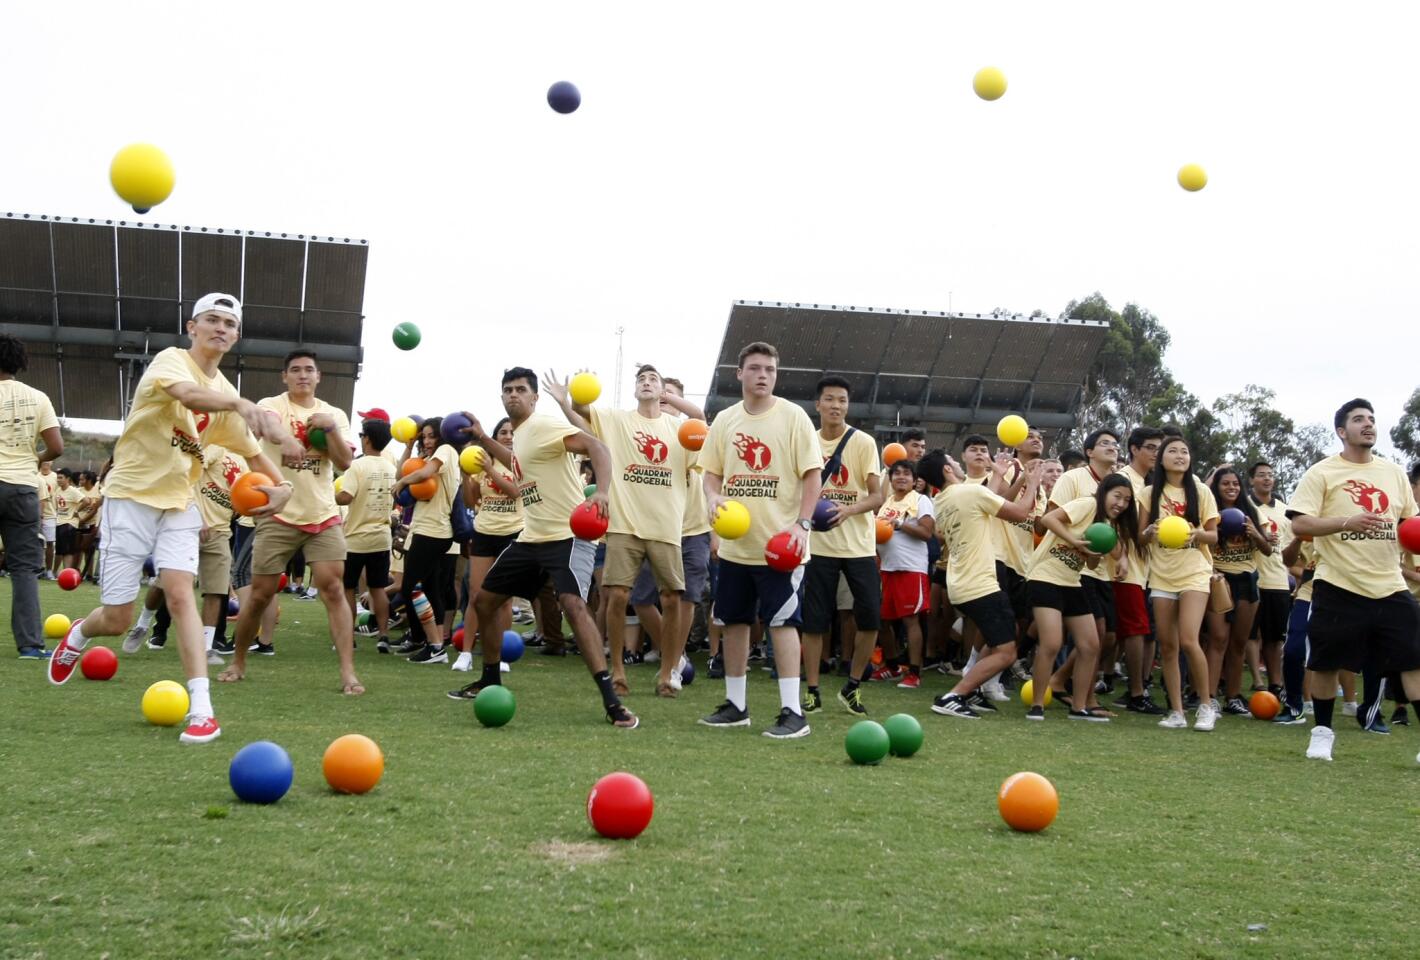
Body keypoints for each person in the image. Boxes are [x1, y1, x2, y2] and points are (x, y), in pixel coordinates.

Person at [46, 293, 293, 745]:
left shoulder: (227, 397)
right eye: (211, 320)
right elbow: (188, 394)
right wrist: (239, 406)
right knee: (118, 619)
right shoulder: (171, 362)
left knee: (181, 593)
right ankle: (80, 633)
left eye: (229, 324)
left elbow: (253, 452)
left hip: (180, 503)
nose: (220, 328)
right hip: (130, 497)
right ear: (191, 327)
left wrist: (283, 487)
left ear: (236, 336)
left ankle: (202, 710)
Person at [451, 368, 639, 729]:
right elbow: (520, 468)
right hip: (531, 537)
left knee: (572, 605)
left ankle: (612, 703)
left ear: (534, 397)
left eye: (521, 390)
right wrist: (482, 440)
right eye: (507, 390)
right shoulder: (521, 436)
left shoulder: (544, 425)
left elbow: (597, 446)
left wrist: (602, 491)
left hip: (567, 535)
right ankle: (489, 680)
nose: (513, 395)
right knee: (484, 601)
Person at [698, 341, 821, 739]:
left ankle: (793, 713)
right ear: (740, 373)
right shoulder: (726, 421)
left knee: (783, 623)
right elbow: (710, 473)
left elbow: (812, 475)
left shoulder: (794, 417)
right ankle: (736, 706)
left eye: (769, 368)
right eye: (754, 368)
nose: (763, 375)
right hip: (737, 547)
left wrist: (803, 524)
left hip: (781, 548)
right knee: (733, 621)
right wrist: (714, 498)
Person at [218, 349, 360, 694]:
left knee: (333, 589)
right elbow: (266, 423)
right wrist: (288, 438)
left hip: (323, 515)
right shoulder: (273, 404)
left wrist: (330, 430)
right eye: (295, 370)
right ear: (285, 377)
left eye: (309, 370)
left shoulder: (333, 414)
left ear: (319, 376)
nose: (302, 375)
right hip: (278, 514)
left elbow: (344, 463)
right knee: (261, 594)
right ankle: (238, 661)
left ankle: (348, 674)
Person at [1288, 398, 1420, 762]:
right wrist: (1347, 521)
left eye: (1372, 419)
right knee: (1326, 663)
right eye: (1359, 419)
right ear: (1341, 431)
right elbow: (1300, 523)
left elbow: (1410, 525)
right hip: (1338, 584)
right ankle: (1322, 734)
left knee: (1412, 661)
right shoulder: (1322, 473)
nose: (1368, 424)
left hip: (1391, 585)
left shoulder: (1394, 473)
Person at [561, 363, 702, 697]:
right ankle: (618, 671)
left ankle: (668, 673)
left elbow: (701, 424)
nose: (647, 382)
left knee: (671, 599)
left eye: (653, 379)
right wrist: (570, 396)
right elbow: (583, 412)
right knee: (617, 595)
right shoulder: (618, 420)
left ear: (663, 389)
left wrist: (674, 398)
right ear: (634, 389)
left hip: (667, 526)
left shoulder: (679, 429)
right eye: (642, 379)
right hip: (624, 524)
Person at [929, 447, 1043, 719]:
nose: (956, 463)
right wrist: (1032, 483)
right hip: (981, 583)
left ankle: (971, 691)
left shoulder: (942, 500)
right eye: (952, 461)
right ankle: (954, 695)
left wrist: (1001, 476)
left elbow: (985, 502)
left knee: (998, 641)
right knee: (1006, 652)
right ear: (946, 469)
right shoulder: (969, 492)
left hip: (963, 583)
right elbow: (1020, 511)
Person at [799, 375, 883, 716]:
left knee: (871, 619)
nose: (836, 406)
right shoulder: (805, 440)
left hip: (859, 547)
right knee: (814, 622)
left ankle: (853, 686)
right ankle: (813, 690)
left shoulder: (863, 442)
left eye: (843, 401)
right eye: (830, 400)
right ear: (818, 404)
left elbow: (878, 495)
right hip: (817, 548)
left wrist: (849, 510)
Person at [1026, 473, 1138, 721]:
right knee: (1052, 643)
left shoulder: (1107, 526)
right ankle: (1037, 705)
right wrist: (1074, 540)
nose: (1120, 503)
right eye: (1117, 496)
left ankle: (1079, 707)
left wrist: (1102, 552)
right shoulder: (1087, 504)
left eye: (1127, 500)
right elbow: (1048, 519)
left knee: (1091, 645)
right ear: (1104, 494)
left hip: (1071, 581)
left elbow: (1090, 560)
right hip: (1044, 576)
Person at [1139, 434, 1220, 731]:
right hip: (1161, 573)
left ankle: (1206, 706)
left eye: (1184, 451)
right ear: (1161, 459)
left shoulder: (1201, 491)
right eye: (1172, 451)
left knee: (1189, 639)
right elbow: (1139, 535)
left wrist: (1194, 534)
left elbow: (1214, 535)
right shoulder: (1150, 492)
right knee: (1168, 646)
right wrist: (1150, 531)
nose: (1179, 455)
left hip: (1195, 571)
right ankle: (1176, 712)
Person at [1043, 429, 1120, 712]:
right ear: (1089, 451)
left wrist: (1119, 556)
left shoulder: (1118, 485)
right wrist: (1078, 543)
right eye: (1104, 443)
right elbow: (1050, 516)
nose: (1112, 447)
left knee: (1109, 637)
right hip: (1075, 569)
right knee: (1094, 635)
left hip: (1101, 569)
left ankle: (1059, 679)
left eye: (1115, 444)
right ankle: (1087, 699)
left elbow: (1116, 528)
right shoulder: (1072, 478)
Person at [0, 334, 64, 658]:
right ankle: (29, 645)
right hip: (22, 487)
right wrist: (33, 458)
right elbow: (56, 448)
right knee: (24, 569)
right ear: (19, 363)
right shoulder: (37, 397)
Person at [449, 416, 522, 674]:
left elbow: (515, 492)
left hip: (512, 534)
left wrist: (490, 470)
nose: (508, 436)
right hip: (483, 532)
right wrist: (467, 477)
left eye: (512, 432)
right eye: (503, 432)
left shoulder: (520, 463)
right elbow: (471, 502)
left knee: (503, 600)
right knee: (477, 596)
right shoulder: (481, 463)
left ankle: (500, 655)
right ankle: (466, 653)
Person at [392, 416, 462, 663]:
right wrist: (409, 448)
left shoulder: (447, 450)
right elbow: (405, 470)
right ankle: (436, 644)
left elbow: (423, 473)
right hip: (426, 530)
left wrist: (402, 481)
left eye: (432, 435)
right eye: (425, 436)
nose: (428, 440)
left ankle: (434, 645)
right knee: (431, 589)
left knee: (411, 587)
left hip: (434, 531)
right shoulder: (428, 459)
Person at [1206, 466, 1273, 715]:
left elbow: (1267, 550)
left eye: (1235, 483)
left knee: (1239, 643)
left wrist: (1255, 533)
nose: (1231, 488)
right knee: (1218, 640)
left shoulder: (1251, 512)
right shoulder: (1209, 511)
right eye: (1225, 484)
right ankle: (1210, 697)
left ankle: (1233, 697)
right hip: (1219, 581)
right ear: (1217, 487)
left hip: (1247, 580)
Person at [1113, 426, 1163, 713]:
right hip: (1125, 567)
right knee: (1133, 630)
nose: (1156, 453)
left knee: (1125, 632)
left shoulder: (1151, 484)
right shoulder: (1123, 480)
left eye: (1159, 448)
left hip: (1146, 568)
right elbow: (1112, 519)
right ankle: (1135, 693)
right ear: (1134, 449)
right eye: (1151, 448)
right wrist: (1121, 555)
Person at [336, 419, 396, 652]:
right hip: (381, 537)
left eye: (362, 434)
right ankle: (383, 635)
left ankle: (348, 638)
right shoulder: (392, 468)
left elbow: (345, 497)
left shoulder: (357, 466)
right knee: (378, 589)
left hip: (355, 539)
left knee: (348, 589)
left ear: (367, 438)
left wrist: (329, 494)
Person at [876, 459, 935, 688]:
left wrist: (899, 524)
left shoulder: (921, 501)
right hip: (887, 568)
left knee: (910, 620)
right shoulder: (888, 502)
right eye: (897, 473)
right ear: (890, 479)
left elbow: (926, 533)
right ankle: (891, 667)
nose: (901, 477)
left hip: (911, 569)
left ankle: (914, 672)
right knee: (882, 620)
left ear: (914, 480)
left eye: (906, 474)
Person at [1248, 461, 1291, 701]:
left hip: (1277, 579)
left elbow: (1291, 547)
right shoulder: (1245, 506)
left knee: (1275, 637)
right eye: (1261, 475)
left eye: (1270, 475)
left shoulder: (1285, 510)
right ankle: (1257, 680)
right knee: (1251, 635)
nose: (1267, 479)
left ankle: (1276, 683)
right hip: (1252, 578)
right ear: (1252, 480)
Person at [38, 461, 58, 579]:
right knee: (35, 543)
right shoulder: (35, 475)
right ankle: (37, 568)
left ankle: (49, 570)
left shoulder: (55, 477)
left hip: (50, 514)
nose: (46, 462)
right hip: (34, 514)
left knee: (50, 543)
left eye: (48, 460)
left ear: (52, 462)